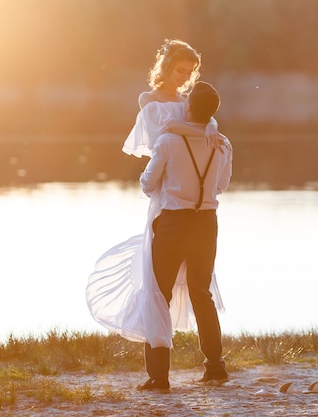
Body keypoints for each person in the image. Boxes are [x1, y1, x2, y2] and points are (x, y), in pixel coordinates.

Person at [86, 40, 228, 360]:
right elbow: (163, 136)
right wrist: (201, 128)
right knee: (157, 283)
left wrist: (213, 125)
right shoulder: (148, 101)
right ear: (166, 67)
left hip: (187, 193)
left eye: (189, 73)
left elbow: (204, 120)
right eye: (180, 70)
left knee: (196, 285)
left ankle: (206, 361)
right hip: (166, 195)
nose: (184, 78)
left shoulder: (186, 102)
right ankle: (163, 362)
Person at [137, 81, 232, 391]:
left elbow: (148, 184)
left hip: (174, 224)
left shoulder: (166, 142)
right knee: (201, 294)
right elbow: (221, 185)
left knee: (158, 294)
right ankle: (215, 367)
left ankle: (159, 376)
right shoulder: (223, 144)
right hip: (207, 222)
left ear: (188, 108)